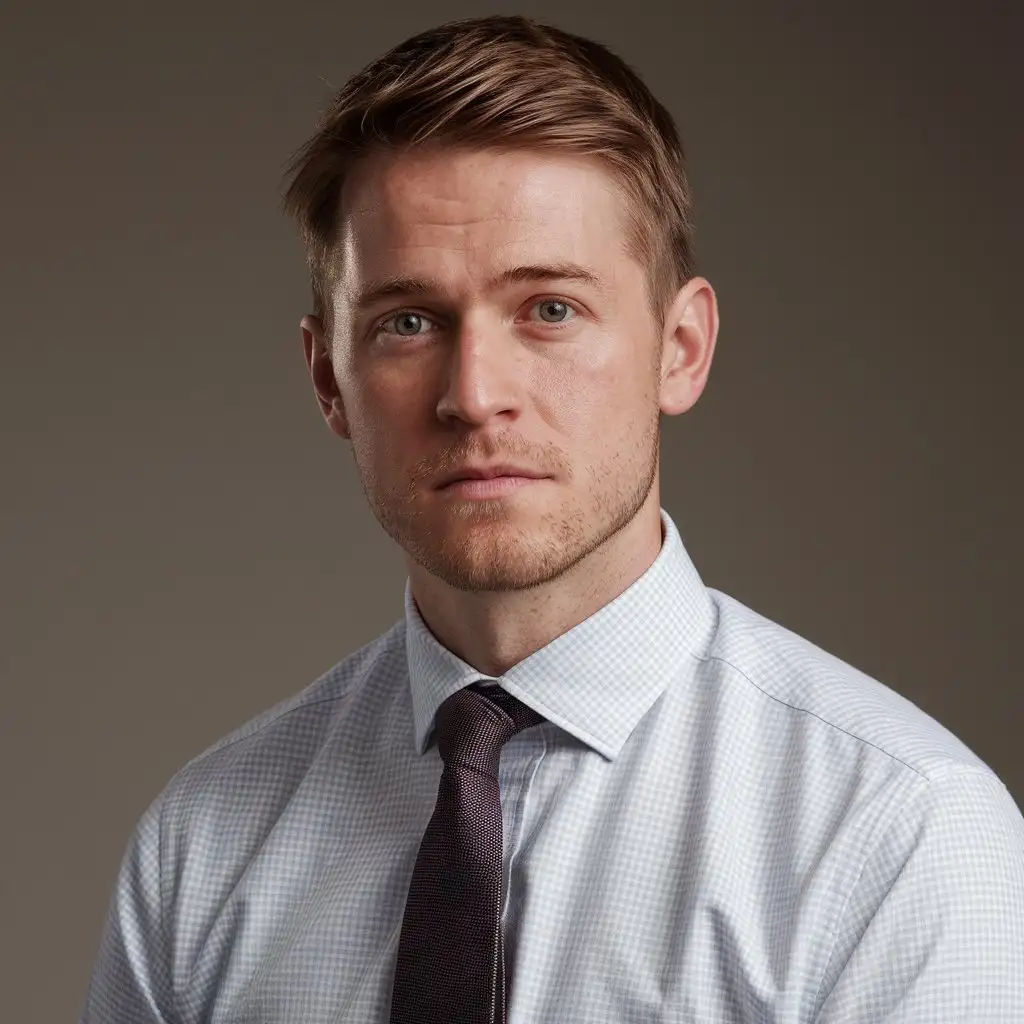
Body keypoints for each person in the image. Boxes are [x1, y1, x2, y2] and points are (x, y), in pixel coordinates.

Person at [79, 14, 1024, 1024]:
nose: (475, 394)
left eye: (550, 309)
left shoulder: (892, 834)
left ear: (681, 348)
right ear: (328, 379)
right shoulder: (203, 843)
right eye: (408, 321)